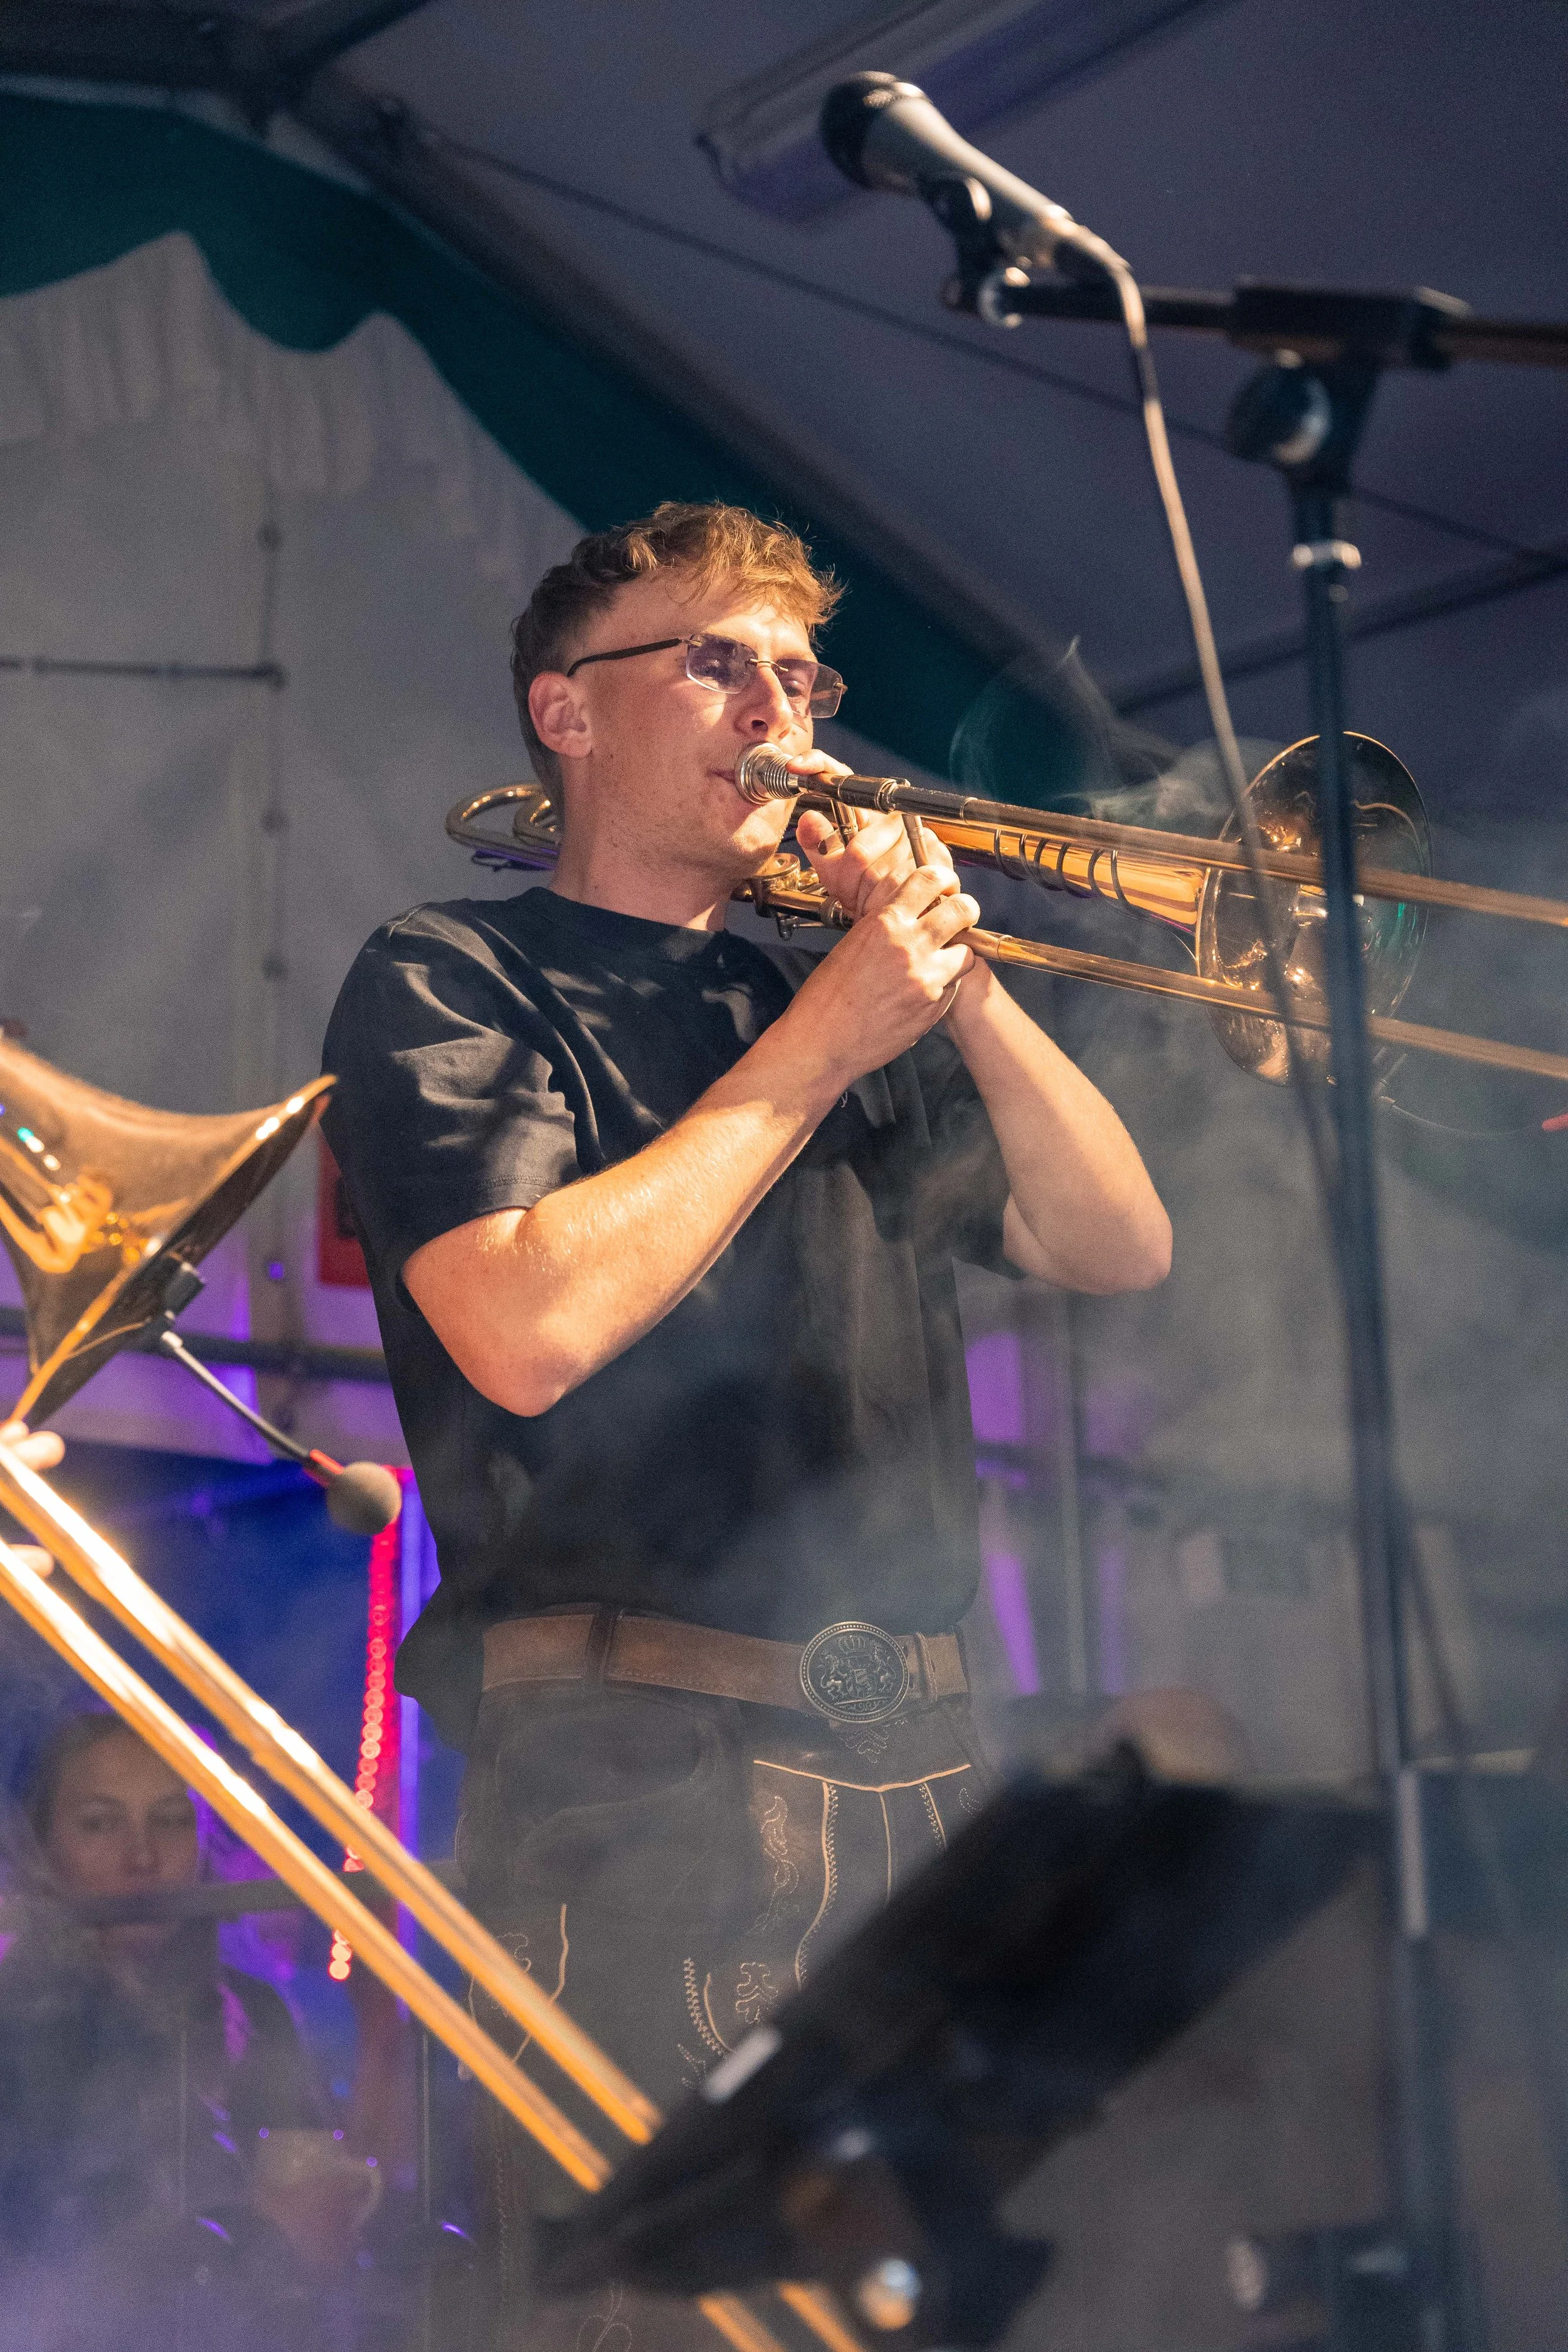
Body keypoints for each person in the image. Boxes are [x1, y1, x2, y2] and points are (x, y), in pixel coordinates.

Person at [320, 501, 1172, 2345]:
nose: (775, 711)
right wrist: (828, 1042)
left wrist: (958, 981)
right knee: (662, 2317)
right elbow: (526, 1325)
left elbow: (1114, 1240)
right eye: (713, 660)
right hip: (641, 1776)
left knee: (932, 2307)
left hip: (919, 1769)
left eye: (799, 672)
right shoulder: (459, 971)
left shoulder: (831, 995)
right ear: (563, 711)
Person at [0, 1707, 372, 2349]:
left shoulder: (256, 2012)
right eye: (98, 1824)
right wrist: (256, 2240)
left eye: (172, 1821)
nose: (142, 1856)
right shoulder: (14, 2022)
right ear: (44, 1848)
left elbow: (315, 2228)